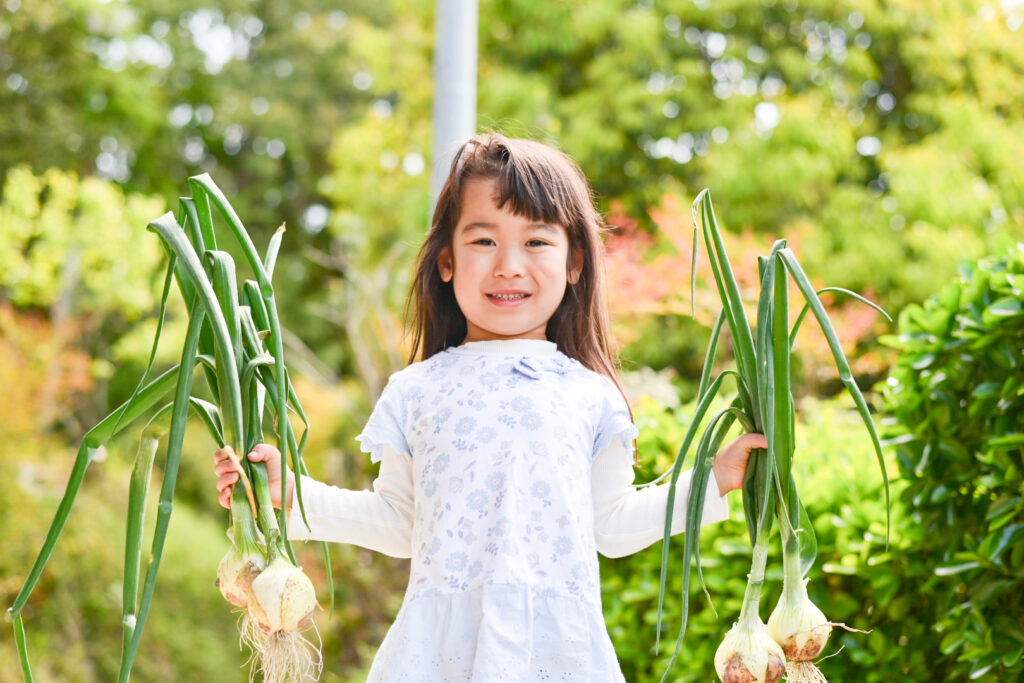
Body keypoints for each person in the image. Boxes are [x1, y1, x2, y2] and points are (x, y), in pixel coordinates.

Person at [214, 133, 766, 681]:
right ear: (446, 261)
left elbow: (613, 525)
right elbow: (400, 523)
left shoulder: (591, 396)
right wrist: (291, 496)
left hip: (560, 655)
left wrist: (714, 481)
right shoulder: (416, 390)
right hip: (436, 657)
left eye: (536, 242)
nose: (508, 265)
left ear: (575, 263)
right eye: (483, 242)